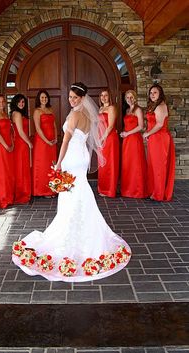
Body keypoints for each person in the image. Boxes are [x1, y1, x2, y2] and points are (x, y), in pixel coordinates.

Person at [12, 82, 131, 282]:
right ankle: (85, 226)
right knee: (79, 190)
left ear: (83, 98)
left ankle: (70, 226)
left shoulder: (75, 114)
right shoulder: (88, 115)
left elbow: (66, 141)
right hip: (82, 156)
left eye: (75, 97)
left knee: (71, 192)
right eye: (70, 97)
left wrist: (58, 164)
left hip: (72, 157)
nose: (71, 100)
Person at [143, 84, 175, 201]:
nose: (152, 95)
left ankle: (159, 194)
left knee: (159, 166)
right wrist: (149, 134)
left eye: (155, 92)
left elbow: (160, 124)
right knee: (153, 165)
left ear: (160, 94)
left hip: (160, 138)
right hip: (154, 138)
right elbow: (152, 123)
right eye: (151, 93)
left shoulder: (161, 106)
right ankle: (154, 190)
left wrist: (147, 133)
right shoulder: (154, 105)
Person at [120, 90, 148, 198]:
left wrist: (127, 133)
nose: (129, 99)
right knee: (128, 163)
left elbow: (140, 126)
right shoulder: (127, 110)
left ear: (135, 98)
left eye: (131, 97)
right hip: (127, 140)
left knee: (136, 163)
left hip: (134, 139)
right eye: (127, 97)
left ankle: (137, 190)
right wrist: (124, 133)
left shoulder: (138, 109)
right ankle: (128, 190)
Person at [31, 90, 57, 197]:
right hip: (42, 142)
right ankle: (43, 190)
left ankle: (52, 190)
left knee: (51, 165)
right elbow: (38, 128)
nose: (44, 99)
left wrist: (55, 138)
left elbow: (54, 125)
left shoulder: (50, 109)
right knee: (43, 165)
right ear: (39, 99)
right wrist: (47, 141)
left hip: (52, 142)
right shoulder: (37, 111)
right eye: (42, 97)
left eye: (45, 97)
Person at [0, 94, 14, 208]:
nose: (1, 103)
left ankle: (8, 197)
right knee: (1, 171)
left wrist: (12, 143)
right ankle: (2, 198)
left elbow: (10, 131)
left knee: (8, 170)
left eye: (2, 101)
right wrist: (5, 145)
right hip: (1, 146)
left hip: (8, 144)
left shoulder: (5, 114)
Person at [10, 94, 32, 204]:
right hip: (21, 143)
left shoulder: (18, 113)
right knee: (21, 168)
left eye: (23, 102)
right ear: (15, 102)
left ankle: (24, 191)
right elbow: (20, 131)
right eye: (19, 102)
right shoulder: (17, 113)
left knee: (22, 167)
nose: (21, 104)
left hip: (21, 143)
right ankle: (22, 193)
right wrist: (29, 143)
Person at [97, 89, 119, 197]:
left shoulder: (111, 108)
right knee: (102, 164)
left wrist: (102, 139)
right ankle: (103, 188)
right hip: (101, 138)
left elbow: (110, 126)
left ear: (109, 97)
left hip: (109, 139)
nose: (103, 97)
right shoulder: (101, 109)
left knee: (110, 163)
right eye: (102, 95)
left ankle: (110, 190)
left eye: (106, 95)